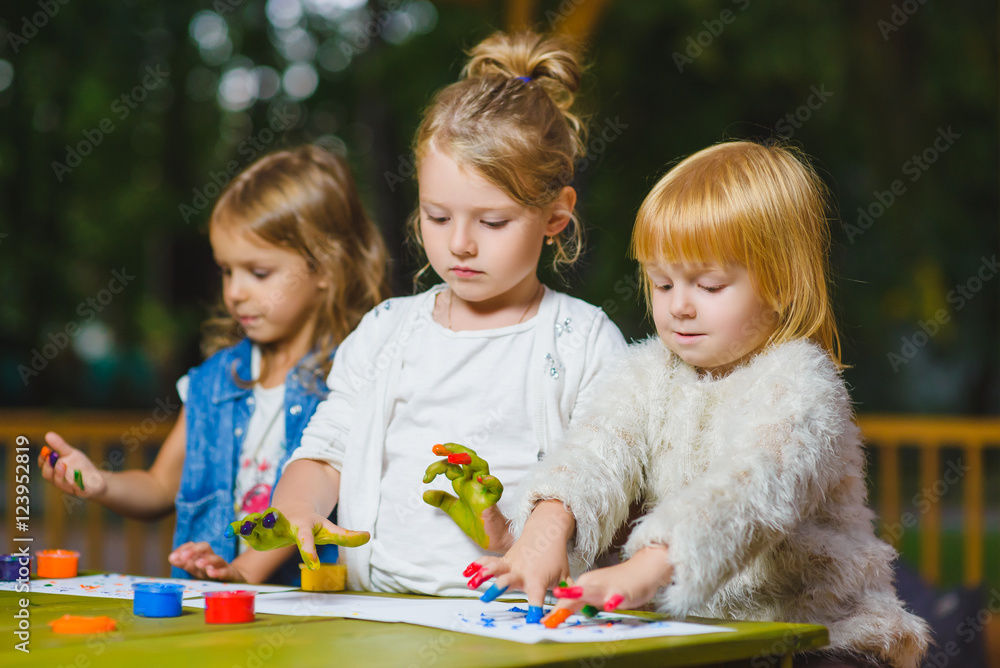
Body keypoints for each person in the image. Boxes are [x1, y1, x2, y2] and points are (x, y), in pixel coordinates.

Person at [470, 141, 930, 667]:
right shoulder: (646, 373)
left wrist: (650, 565)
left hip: (822, 637)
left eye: (709, 285)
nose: (679, 306)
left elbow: (752, 488)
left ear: (781, 285)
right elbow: (594, 453)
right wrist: (546, 526)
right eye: (662, 283)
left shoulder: (802, 382)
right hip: (704, 636)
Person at [238, 31, 626, 596]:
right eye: (437, 217)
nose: (460, 244)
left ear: (555, 215)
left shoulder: (582, 341)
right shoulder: (386, 331)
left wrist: (538, 532)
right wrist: (297, 504)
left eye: (492, 222)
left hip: (520, 619)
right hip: (378, 612)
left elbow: (599, 468)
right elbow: (326, 451)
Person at [38, 145, 389, 584]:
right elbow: (160, 486)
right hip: (210, 607)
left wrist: (241, 571)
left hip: (306, 610)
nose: (235, 292)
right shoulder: (212, 381)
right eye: (226, 270)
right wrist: (102, 483)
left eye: (258, 273)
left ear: (325, 268)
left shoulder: (354, 380)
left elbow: (307, 509)